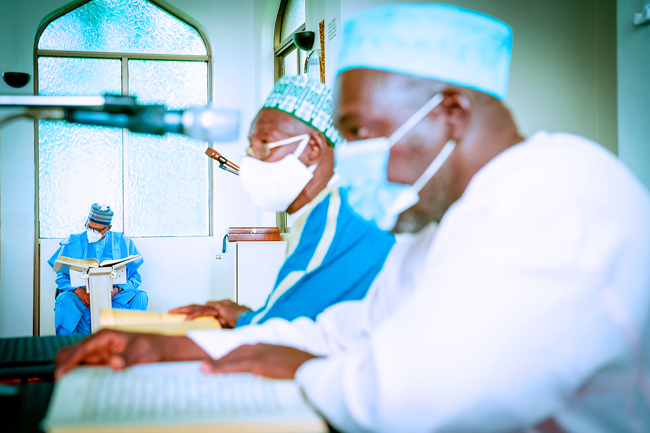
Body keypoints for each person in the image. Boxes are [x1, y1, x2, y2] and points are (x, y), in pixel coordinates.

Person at [54, 5, 650, 433]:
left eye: (361, 132)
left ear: (451, 112)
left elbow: (418, 401)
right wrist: (184, 351)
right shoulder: (441, 222)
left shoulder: (558, 196)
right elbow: (350, 332)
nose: (351, 154)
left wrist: (303, 369)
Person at [169, 75, 394, 328]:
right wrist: (250, 315)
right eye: (250, 146)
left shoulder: (337, 216)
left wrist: (248, 319)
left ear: (313, 149)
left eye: (265, 143)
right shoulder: (322, 211)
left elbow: (279, 329)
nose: (252, 159)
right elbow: (305, 311)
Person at [49, 203, 146, 335]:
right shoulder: (74, 242)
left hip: (113, 299)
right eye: (90, 227)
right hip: (83, 301)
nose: (93, 232)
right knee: (64, 299)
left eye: (99, 230)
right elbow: (61, 276)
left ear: (108, 227)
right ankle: (69, 349)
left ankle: (127, 348)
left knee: (140, 297)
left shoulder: (123, 242)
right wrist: (78, 291)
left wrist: (117, 291)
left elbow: (135, 277)